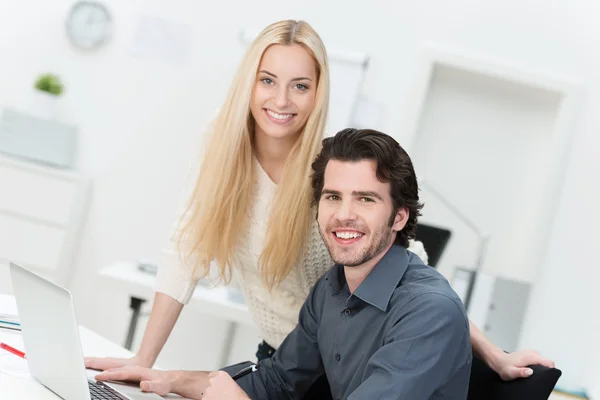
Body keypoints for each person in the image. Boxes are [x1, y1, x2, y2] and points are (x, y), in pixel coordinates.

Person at [85, 19, 554, 394]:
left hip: (350, 368)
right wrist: (145, 364)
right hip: (287, 361)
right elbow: (185, 251)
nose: (281, 101)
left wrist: (492, 354)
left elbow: (415, 281)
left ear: (319, 93)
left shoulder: (332, 170)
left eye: (300, 86)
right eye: (267, 80)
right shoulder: (222, 144)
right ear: (248, 83)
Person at [95, 128, 473, 399]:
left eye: (366, 200)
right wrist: (168, 380)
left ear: (400, 217)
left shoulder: (428, 311)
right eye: (332, 197)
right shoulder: (332, 288)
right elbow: (275, 383)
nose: (343, 215)